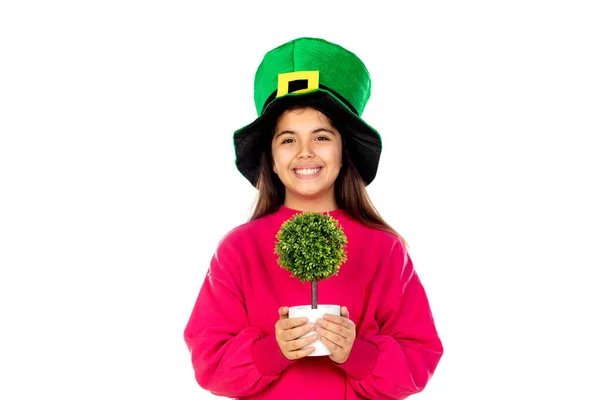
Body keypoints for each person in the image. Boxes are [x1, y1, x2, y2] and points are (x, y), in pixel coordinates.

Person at [183, 37, 443, 400]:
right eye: (288, 140)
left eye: (321, 137)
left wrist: (358, 354)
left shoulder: (384, 250)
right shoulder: (238, 249)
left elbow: (419, 359)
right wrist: (271, 350)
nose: (305, 152)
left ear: (343, 150)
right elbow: (209, 363)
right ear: (270, 158)